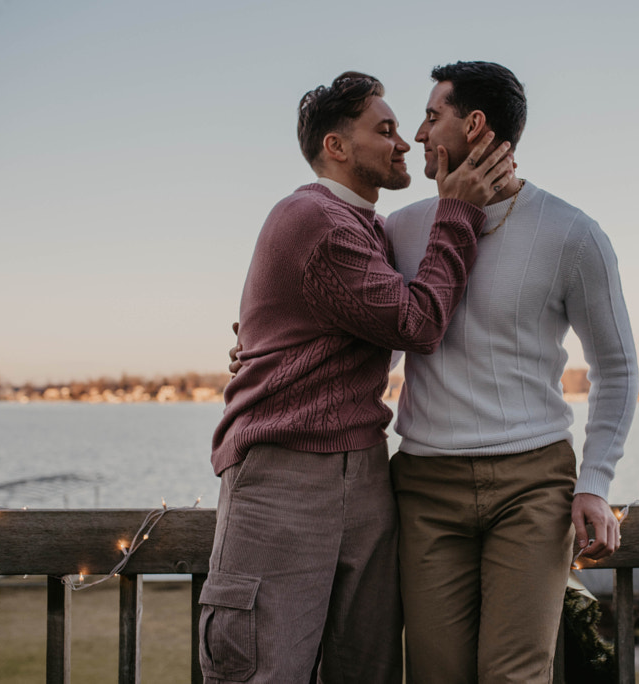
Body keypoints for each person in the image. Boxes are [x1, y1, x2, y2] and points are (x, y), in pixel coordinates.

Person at [201, 71, 514, 684]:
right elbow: (417, 324)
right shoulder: (314, 219)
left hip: (366, 472)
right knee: (264, 669)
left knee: (366, 668)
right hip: (284, 477)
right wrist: (457, 213)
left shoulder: (367, 229)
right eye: (386, 130)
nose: (405, 144)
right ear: (336, 148)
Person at [384, 61, 639, 683]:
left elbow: (616, 366)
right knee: (435, 674)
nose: (417, 134)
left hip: (532, 485)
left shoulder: (572, 233)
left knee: (515, 675)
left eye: (431, 116)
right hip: (424, 487)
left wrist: (595, 481)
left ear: (473, 126)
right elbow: (373, 344)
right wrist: (277, 345)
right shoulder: (398, 229)